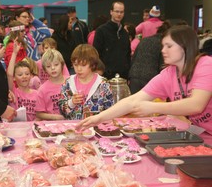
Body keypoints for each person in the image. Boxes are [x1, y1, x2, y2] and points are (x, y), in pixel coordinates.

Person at [77, 25, 212, 135]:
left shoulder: (205, 65)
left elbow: (196, 104)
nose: (163, 50)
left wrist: (153, 106)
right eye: (163, 46)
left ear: (185, 47)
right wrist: (99, 118)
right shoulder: (169, 74)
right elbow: (133, 100)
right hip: (202, 134)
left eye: (169, 46)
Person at [58, 44, 114, 120]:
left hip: (96, 128)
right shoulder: (68, 83)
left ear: (93, 65)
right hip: (74, 128)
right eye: (75, 65)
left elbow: (110, 110)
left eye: (83, 65)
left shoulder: (103, 84)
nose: (79, 69)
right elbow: (62, 109)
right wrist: (72, 102)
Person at [128, 20, 171, 94]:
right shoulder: (163, 44)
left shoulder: (144, 40)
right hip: (151, 78)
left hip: (134, 76)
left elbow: (133, 59)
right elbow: (162, 66)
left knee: (134, 103)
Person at [93, 1, 131, 80]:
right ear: (111, 12)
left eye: (121, 12)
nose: (119, 14)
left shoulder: (125, 34)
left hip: (122, 77)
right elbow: (95, 54)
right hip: (106, 76)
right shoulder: (101, 31)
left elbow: (127, 55)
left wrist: (128, 74)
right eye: (117, 11)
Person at [7, 41, 38, 121]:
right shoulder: (13, 92)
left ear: (31, 76)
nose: (24, 76)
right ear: (14, 78)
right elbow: (9, 74)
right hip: (17, 128)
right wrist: (14, 53)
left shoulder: (37, 94)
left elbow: (40, 114)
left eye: (27, 74)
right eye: (20, 75)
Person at [35, 49, 66, 121]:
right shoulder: (42, 89)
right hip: (52, 126)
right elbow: (39, 113)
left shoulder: (72, 82)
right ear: (44, 69)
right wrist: (55, 117)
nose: (53, 68)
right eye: (48, 66)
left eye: (56, 64)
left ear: (62, 64)